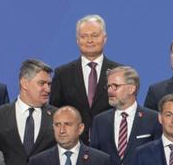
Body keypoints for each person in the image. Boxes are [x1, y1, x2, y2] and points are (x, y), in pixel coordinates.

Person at [49, 14, 120, 142]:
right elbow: (55, 112)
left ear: (105, 38)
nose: (89, 40)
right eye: (84, 36)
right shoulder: (62, 73)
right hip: (74, 146)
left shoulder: (119, 73)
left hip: (110, 144)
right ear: (77, 40)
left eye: (94, 35)